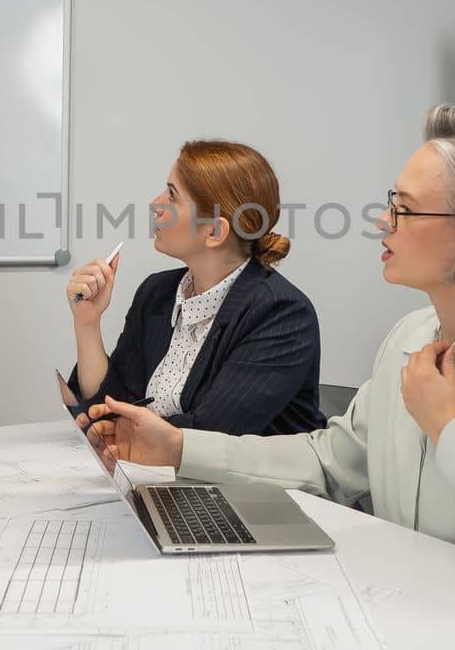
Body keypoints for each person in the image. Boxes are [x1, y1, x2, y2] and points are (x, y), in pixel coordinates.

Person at [81, 106, 455, 614]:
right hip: (418, 612)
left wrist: (452, 429)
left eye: (405, 209)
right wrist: (177, 447)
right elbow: (332, 463)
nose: (382, 222)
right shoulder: (411, 337)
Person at [64, 140, 324, 436]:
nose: (155, 204)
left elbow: (210, 434)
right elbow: (112, 405)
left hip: (247, 482)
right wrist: (87, 323)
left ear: (214, 231)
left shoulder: (282, 313)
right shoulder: (157, 292)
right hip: (162, 476)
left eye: (172, 196)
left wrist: (114, 428)